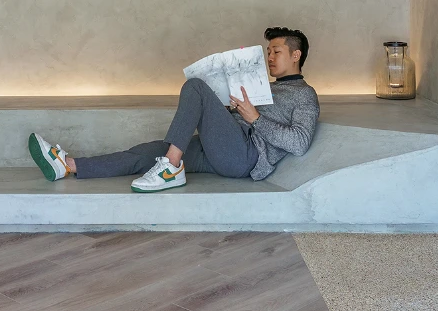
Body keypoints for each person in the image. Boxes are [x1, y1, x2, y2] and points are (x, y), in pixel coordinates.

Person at [28, 27, 319, 192]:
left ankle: (171, 167)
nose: (270, 57)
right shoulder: (263, 87)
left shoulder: (304, 95)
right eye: (268, 52)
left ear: (296, 55)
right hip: (223, 144)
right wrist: (228, 110)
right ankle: (68, 165)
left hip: (245, 156)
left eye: (276, 52)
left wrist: (254, 117)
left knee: (195, 87)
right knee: (148, 151)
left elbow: (299, 143)